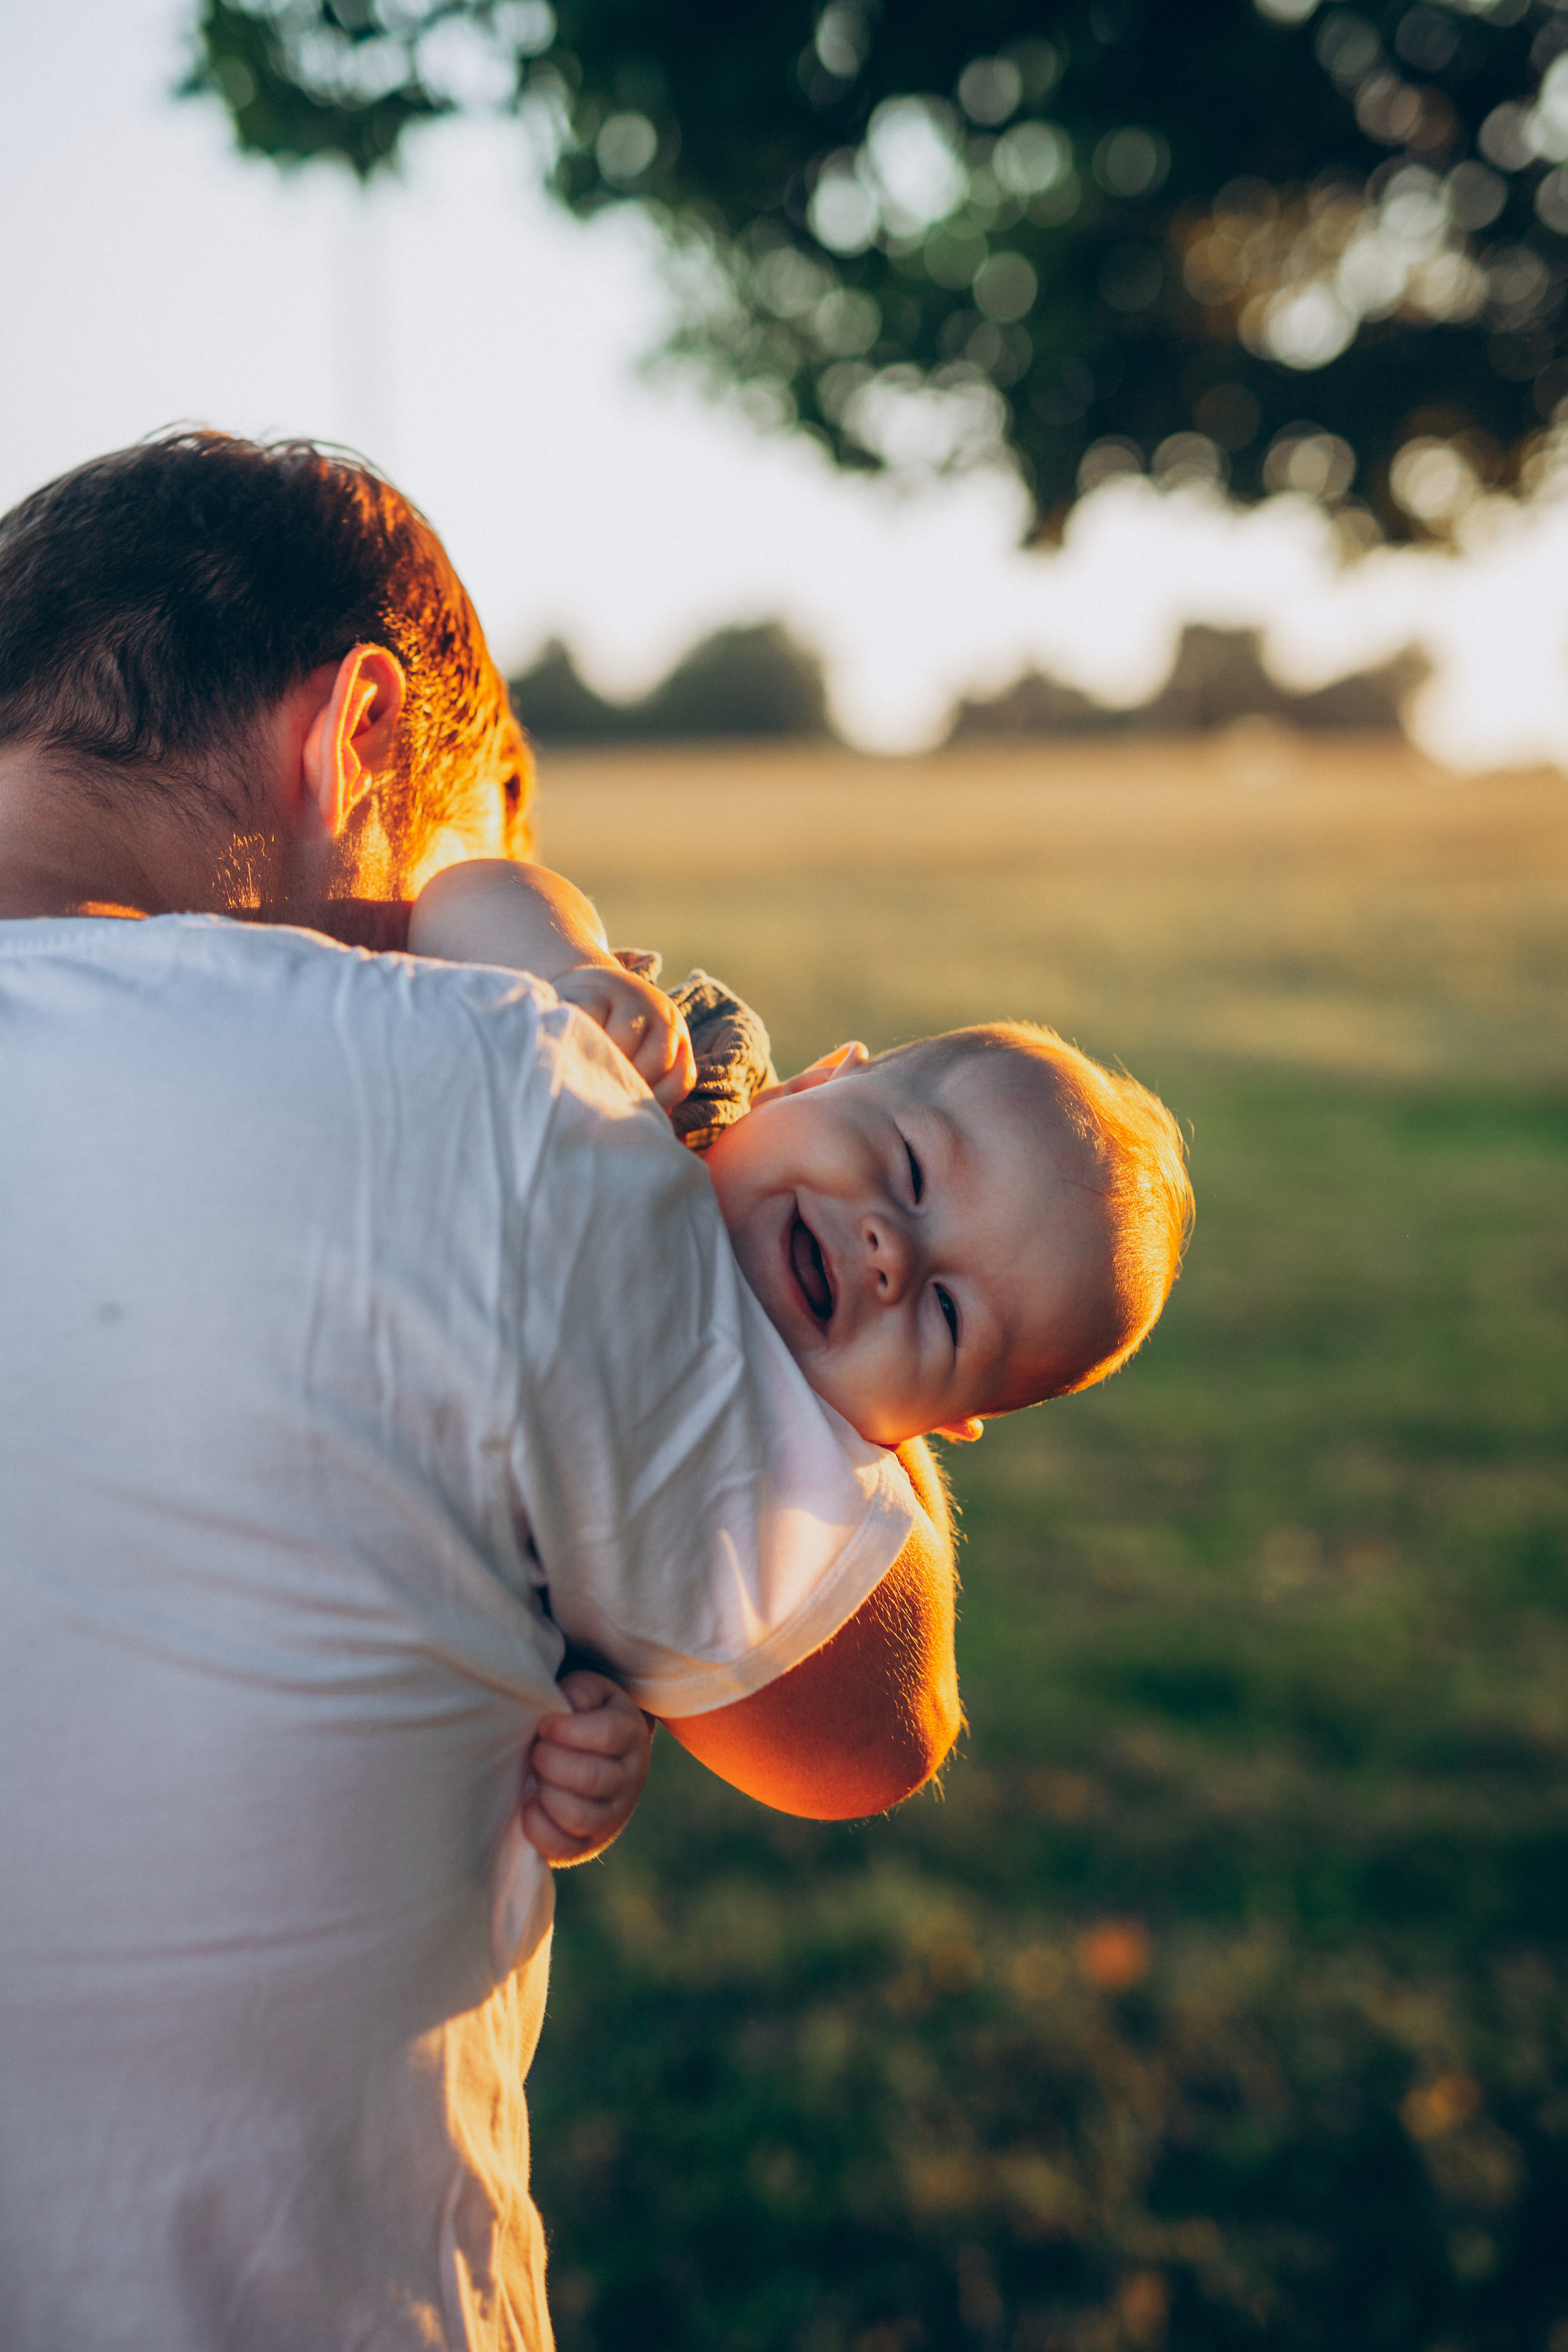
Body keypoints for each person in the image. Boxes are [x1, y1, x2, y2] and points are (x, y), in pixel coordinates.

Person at [0, 431, 959, 2352]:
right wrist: (692, 1136)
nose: (439, 941)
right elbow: (861, 1719)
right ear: (355, 735)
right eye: (444, 875)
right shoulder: (492, 1087)